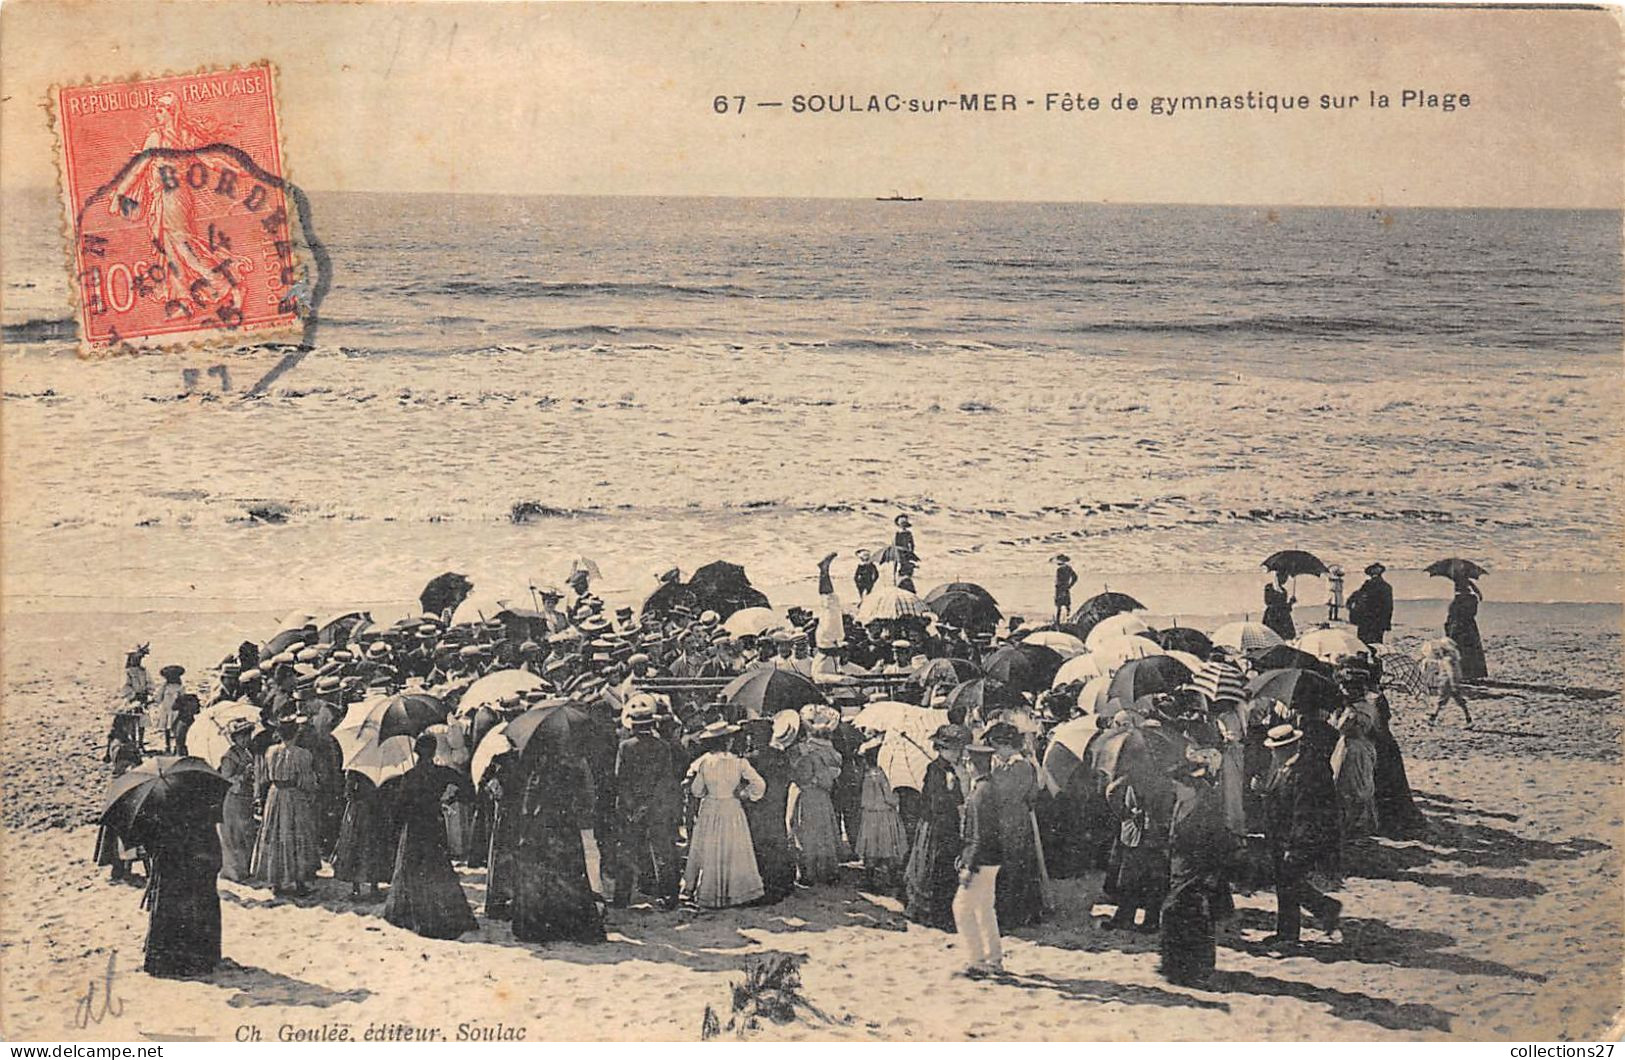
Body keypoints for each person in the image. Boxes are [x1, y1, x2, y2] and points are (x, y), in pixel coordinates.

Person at [511, 729, 605, 944]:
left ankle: (544, 923)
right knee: (569, 874)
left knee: (542, 875)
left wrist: (526, 827)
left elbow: (529, 802)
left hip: (542, 825)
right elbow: (584, 800)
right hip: (566, 826)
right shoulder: (572, 771)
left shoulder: (539, 772)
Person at [382, 735, 478, 938]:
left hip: (414, 828)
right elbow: (467, 787)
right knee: (438, 866)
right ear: (433, 752)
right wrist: (451, 799)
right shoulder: (441, 773)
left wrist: (397, 824)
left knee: (413, 869)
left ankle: (413, 913)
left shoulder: (409, 775)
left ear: (416, 752)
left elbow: (399, 808)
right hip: (434, 824)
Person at [1159, 748, 1239, 987]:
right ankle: (1179, 967)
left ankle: (1194, 969)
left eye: (1178, 786)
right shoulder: (1182, 803)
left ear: (1190, 786)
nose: (1175, 790)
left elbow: (1218, 844)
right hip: (1179, 868)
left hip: (1198, 871)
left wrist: (1211, 876)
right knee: (1182, 917)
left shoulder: (1206, 808)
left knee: (1183, 915)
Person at [1257, 724, 1342, 948]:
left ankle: (1320, 910)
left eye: (1277, 748)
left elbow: (1304, 813)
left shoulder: (1306, 772)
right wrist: (1262, 792)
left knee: (1288, 881)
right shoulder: (1282, 767)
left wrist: (1294, 847)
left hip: (1299, 839)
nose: (1273, 752)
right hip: (1281, 836)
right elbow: (1278, 798)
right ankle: (1289, 931)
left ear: (1289, 747)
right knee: (1285, 882)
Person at [682, 722, 767, 909]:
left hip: (711, 808)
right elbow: (759, 785)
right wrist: (744, 794)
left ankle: (708, 891)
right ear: (727, 742)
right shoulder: (739, 762)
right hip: (732, 807)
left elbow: (696, 790)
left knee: (709, 848)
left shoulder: (704, 762)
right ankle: (736, 891)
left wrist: (709, 791)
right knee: (734, 848)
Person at [141, 799, 223, 979]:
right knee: (194, 908)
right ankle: (198, 958)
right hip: (191, 864)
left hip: (172, 863)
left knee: (170, 907)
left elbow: (148, 835)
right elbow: (211, 838)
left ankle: (167, 959)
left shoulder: (157, 799)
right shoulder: (203, 800)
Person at [612, 700, 681, 909]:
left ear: (633, 726)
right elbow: (665, 780)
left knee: (627, 851)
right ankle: (669, 896)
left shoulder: (625, 747)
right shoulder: (663, 747)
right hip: (657, 807)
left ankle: (622, 897)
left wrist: (633, 806)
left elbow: (620, 779)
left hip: (630, 808)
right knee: (662, 851)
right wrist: (649, 804)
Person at [904, 724, 968, 929]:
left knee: (948, 868)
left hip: (950, 824)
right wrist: (950, 791)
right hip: (936, 825)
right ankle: (936, 914)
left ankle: (948, 911)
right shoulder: (935, 769)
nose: (957, 753)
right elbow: (933, 801)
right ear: (941, 749)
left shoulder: (955, 768)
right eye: (953, 749)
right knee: (935, 867)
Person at [251, 716, 321, 897]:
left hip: (275, 794)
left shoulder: (270, 751)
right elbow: (306, 781)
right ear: (296, 733)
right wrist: (312, 791)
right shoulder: (303, 755)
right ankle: (298, 882)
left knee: (276, 833)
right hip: (293, 795)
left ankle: (276, 881)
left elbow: (265, 775)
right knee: (296, 834)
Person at [953, 742, 1004, 979]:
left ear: (973, 765)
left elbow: (979, 835)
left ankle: (976, 960)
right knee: (985, 909)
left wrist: (968, 865)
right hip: (992, 859)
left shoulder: (980, 793)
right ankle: (994, 958)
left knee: (962, 909)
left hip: (981, 861)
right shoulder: (989, 788)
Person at [986, 723, 1044, 929]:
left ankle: (1013, 913)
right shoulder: (1025, 765)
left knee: (1012, 865)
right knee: (1020, 864)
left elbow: (1002, 793)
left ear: (1006, 745)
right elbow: (1032, 796)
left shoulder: (1016, 767)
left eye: (996, 747)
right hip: (1018, 818)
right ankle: (1024, 910)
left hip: (1009, 819)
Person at [744, 710, 799, 904]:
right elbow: (790, 777)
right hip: (778, 802)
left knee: (761, 844)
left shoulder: (752, 758)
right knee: (778, 839)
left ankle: (769, 887)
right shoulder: (780, 755)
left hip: (759, 806)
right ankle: (786, 882)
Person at [788, 706, 845, 885]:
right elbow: (834, 774)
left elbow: (797, 774)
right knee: (825, 832)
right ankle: (827, 870)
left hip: (805, 794)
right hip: (823, 795)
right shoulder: (834, 754)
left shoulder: (803, 750)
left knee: (805, 833)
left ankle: (807, 872)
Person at [94, 710, 146, 884]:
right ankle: (121, 870)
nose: (135, 726)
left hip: (122, 787)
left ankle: (122, 870)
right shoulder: (120, 745)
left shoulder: (122, 741)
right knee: (123, 830)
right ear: (124, 724)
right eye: (132, 723)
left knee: (120, 830)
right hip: (124, 788)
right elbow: (124, 766)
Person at [1331, 668, 1381, 840]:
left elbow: (1341, 727)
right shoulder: (1365, 706)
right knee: (1355, 784)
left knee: (1353, 786)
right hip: (1353, 747)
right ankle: (1358, 822)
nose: (1343, 690)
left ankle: (1358, 824)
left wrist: (1344, 710)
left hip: (1354, 749)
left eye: (1346, 687)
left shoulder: (1357, 710)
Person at [854, 737, 908, 892]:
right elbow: (889, 797)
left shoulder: (866, 775)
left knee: (871, 847)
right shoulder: (882, 775)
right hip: (884, 814)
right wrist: (896, 799)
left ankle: (869, 877)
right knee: (888, 846)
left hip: (870, 815)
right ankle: (891, 877)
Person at [332, 771, 395, 900]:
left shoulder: (356, 769)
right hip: (374, 810)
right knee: (371, 846)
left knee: (358, 845)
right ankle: (373, 885)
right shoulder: (382, 769)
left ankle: (357, 887)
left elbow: (348, 792)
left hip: (361, 811)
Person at [216, 719, 259, 882]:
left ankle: (245, 868)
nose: (246, 739)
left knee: (246, 834)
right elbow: (226, 780)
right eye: (242, 737)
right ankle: (234, 871)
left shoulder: (247, 753)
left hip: (245, 798)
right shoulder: (229, 757)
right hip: (232, 799)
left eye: (248, 736)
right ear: (235, 738)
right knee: (234, 835)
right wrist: (243, 776)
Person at [1421, 637, 1474, 727]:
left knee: (1441, 701)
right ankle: (1468, 719)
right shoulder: (1453, 658)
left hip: (1447, 684)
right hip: (1451, 683)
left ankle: (1433, 718)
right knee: (1458, 701)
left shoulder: (1447, 660)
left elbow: (1450, 673)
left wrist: (1453, 684)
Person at [1444, 578, 1487, 683]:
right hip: (1470, 627)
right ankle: (1475, 674)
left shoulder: (1457, 601)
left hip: (1459, 628)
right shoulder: (1472, 599)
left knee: (1460, 651)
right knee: (1472, 651)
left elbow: (1452, 616)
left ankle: (1463, 674)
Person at [1346, 563, 1394, 646]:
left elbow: (1355, 598)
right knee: (1377, 642)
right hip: (1379, 618)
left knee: (1363, 642)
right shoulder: (1386, 586)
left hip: (1366, 618)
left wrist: (1351, 608)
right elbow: (1388, 607)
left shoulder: (1367, 585)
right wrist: (1387, 623)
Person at [153, 665, 186, 754]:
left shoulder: (180, 687)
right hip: (166, 709)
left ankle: (176, 745)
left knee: (175, 728)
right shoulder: (164, 686)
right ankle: (167, 745)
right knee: (166, 728)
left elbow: (183, 698)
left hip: (175, 710)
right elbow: (158, 697)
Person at [1262, 571, 1296, 642]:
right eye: (1283, 577)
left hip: (1282, 617)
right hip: (1272, 617)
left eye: (1286, 578)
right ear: (1277, 577)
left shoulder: (1284, 591)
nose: (1285, 580)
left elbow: (1286, 609)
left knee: (1282, 639)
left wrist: (1291, 602)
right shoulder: (1269, 587)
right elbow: (1267, 601)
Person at [1053, 554, 1078, 625]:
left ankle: (1058, 622)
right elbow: (1075, 577)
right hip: (1066, 587)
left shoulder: (1060, 569)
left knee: (1059, 606)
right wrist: (1070, 585)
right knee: (1067, 604)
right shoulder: (1069, 568)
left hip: (1060, 588)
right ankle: (1068, 618)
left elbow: (1058, 580)